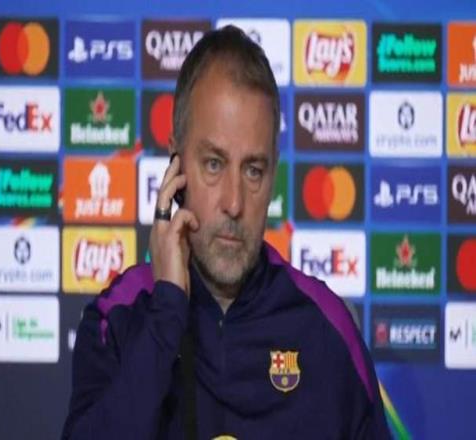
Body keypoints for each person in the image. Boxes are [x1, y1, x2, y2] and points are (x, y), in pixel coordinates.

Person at [62, 26, 391, 439]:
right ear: (176, 166)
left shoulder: (327, 330)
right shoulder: (120, 318)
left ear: (272, 177)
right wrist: (166, 316)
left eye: (253, 170)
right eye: (214, 164)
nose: (234, 203)